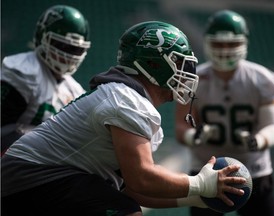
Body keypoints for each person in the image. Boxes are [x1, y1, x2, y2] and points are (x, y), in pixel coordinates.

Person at [1, 21, 247, 216]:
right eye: (180, 63)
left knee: (120, 201)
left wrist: (196, 198)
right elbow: (143, 178)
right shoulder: (126, 101)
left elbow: (133, 188)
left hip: (33, 182)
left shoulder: (128, 100)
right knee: (123, 210)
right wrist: (199, 184)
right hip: (28, 178)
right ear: (154, 63)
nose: (187, 72)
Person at [175, 10, 274, 216]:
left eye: (231, 43)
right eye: (218, 43)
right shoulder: (192, 80)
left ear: (243, 43)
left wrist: (257, 140)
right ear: (207, 43)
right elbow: (181, 127)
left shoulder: (263, 79)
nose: (224, 50)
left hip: (254, 171)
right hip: (207, 170)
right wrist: (195, 135)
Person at [1, 5, 91, 155]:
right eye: (62, 46)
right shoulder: (22, 71)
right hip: (13, 157)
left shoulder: (75, 91)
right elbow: (4, 130)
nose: (68, 55)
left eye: (75, 49)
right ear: (41, 37)